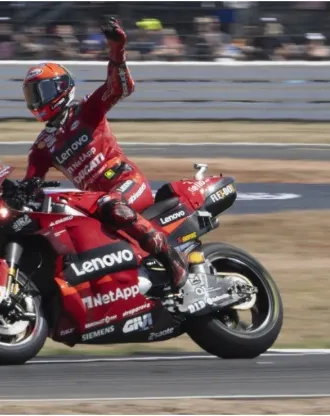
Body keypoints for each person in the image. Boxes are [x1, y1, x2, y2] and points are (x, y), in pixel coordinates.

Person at [19, 16, 202, 310]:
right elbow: (31, 184)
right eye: (31, 95)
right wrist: (15, 193)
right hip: (93, 201)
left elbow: (119, 88)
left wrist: (117, 48)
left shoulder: (86, 110)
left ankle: (174, 263)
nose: (35, 101)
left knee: (111, 205)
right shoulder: (41, 146)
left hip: (124, 182)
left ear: (60, 88)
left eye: (40, 92)